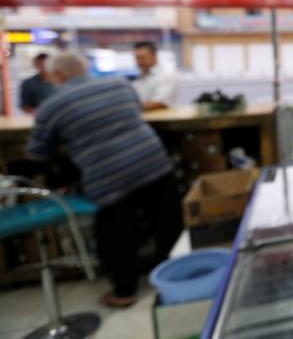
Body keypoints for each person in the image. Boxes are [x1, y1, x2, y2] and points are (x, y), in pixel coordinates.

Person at [27, 52, 182, 308]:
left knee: (116, 233)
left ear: (57, 76)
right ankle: (177, 277)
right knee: (166, 223)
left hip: (109, 177)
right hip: (153, 162)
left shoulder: (52, 107)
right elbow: (135, 109)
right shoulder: (120, 84)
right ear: (84, 67)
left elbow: (37, 151)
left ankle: (125, 292)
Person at [133, 41, 175, 111]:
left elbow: (159, 103)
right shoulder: (139, 79)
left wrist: (128, 108)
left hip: (162, 120)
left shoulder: (166, 76)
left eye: (142, 58)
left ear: (154, 57)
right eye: (137, 58)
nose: (139, 61)